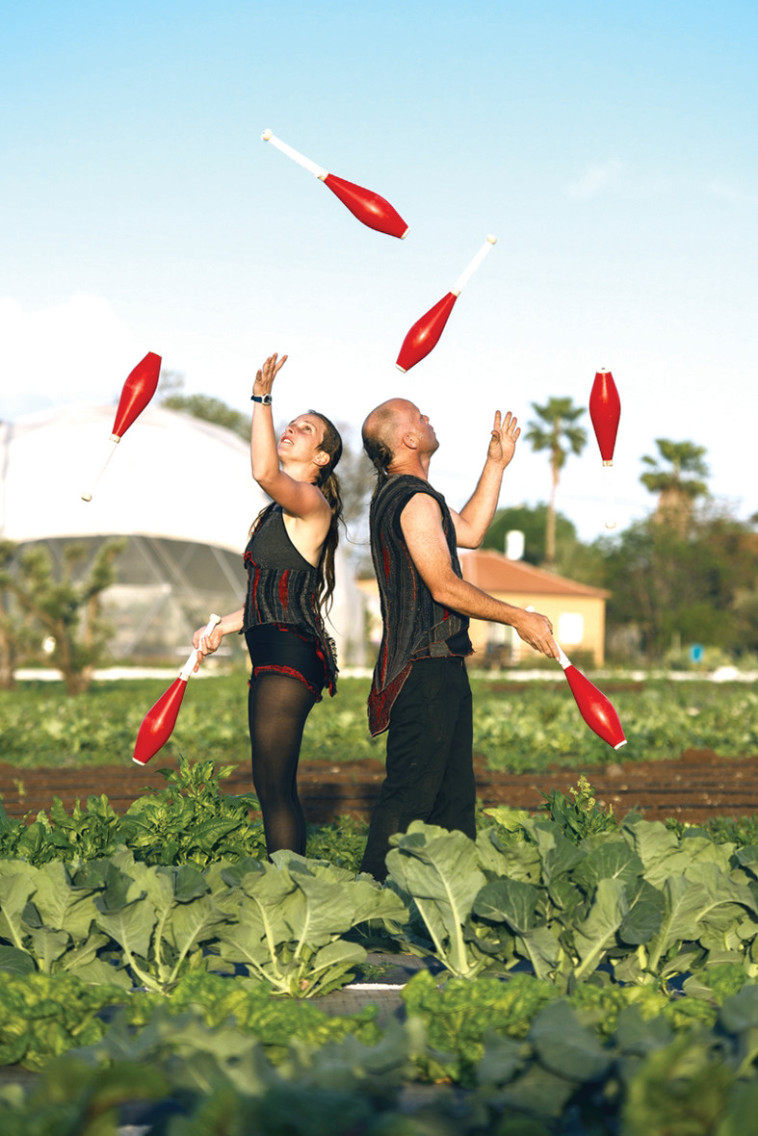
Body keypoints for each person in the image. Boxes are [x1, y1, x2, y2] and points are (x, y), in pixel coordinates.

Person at [359, 397, 559, 881]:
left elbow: (468, 531)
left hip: (436, 665)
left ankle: (452, 906)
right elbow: (444, 585)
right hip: (423, 667)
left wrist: (496, 464)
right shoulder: (413, 499)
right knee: (409, 796)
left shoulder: (409, 496)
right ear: (407, 440)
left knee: (453, 800)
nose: (428, 418)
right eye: (419, 417)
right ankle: (369, 909)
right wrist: (518, 617)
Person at [193, 353, 343, 857]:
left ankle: (288, 889)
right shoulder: (273, 515)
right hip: (272, 648)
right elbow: (267, 596)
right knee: (270, 785)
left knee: (275, 788)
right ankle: (286, 883)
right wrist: (222, 628)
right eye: (291, 424)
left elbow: (263, 470)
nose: (291, 431)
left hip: (289, 654)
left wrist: (262, 400)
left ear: (321, 458)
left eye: (304, 430)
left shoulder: (312, 504)